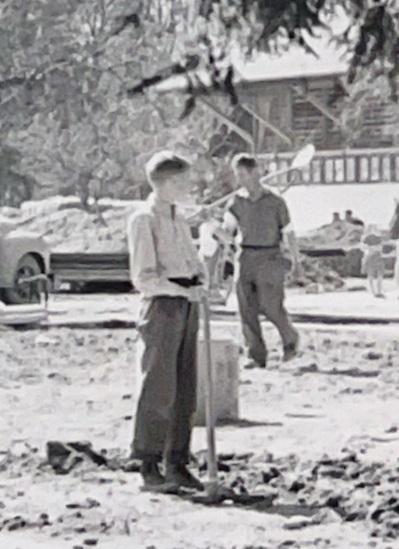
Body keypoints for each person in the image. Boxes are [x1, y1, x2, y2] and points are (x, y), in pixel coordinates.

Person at [127, 151, 208, 494]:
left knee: (185, 387)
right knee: (159, 385)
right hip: (162, 305)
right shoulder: (143, 219)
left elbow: (190, 259)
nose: (188, 186)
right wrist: (179, 291)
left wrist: (201, 280)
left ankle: (176, 461)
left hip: (188, 303)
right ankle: (148, 462)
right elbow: (143, 277)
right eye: (182, 180)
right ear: (165, 182)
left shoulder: (178, 218)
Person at [221, 154, 301, 370]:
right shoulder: (236, 202)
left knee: (270, 306)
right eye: (237, 175)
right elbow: (228, 232)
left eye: (244, 174)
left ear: (256, 171)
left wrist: (297, 261)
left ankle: (290, 339)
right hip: (245, 257)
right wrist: (217, 229)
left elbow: (290, 233)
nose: (240, 179)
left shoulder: (275, 202)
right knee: (246, 308)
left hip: (270, 256)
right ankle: (256, 355)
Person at [363, 232, 386, 298]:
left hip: (370, 259)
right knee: (379, 276)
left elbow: (365, 250)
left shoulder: (367, 239)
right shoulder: (378, 240)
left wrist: (371, 249)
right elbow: (380, 249)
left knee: (371, 276)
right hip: (377, 259)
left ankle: (374, 292)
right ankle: (378, 291)